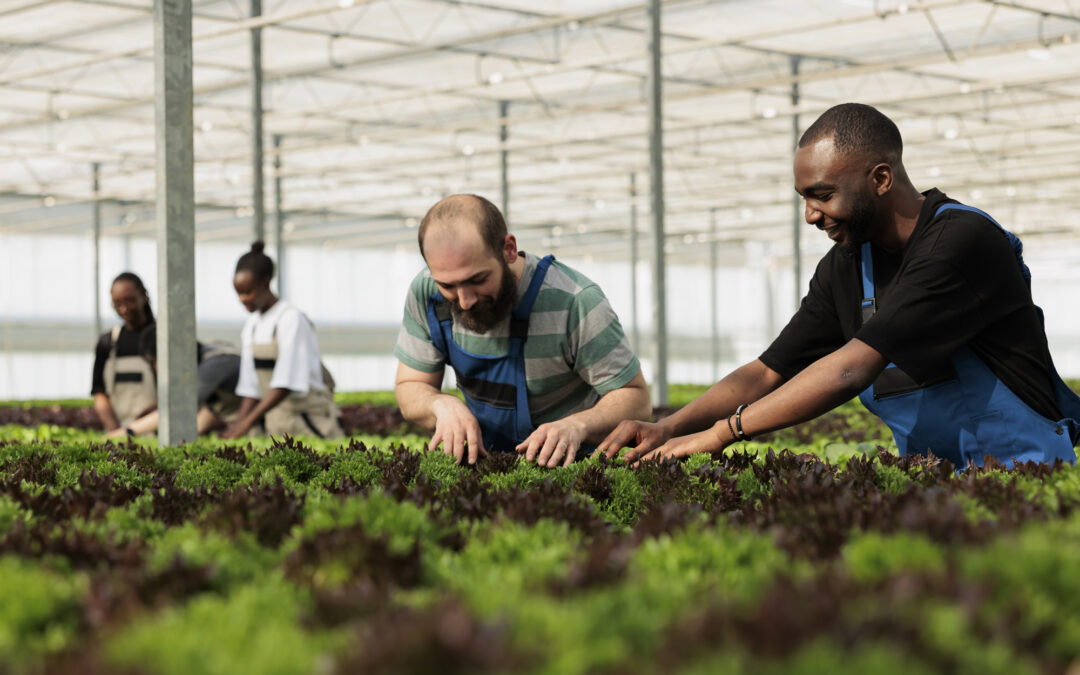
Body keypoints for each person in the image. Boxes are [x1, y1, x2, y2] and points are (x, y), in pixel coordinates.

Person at [600, 102, 1080, 469]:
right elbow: (766, 371)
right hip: (929, 481)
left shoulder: (960, 241)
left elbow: (853, 368)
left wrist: (725, 432)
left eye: (822, 195)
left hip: (1025, 475)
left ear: (881, 178)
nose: (810, 214)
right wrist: (669, 427)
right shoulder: (846, 266)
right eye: (804, 198)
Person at [394, 193, 651, 467]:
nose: (465, 300)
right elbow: (411, 386)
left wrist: (577, 425)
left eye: (478, 279)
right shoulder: (426, 294)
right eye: (448, 285)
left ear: (509, 249)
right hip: (483, 463)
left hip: (572, 466)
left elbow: (637, 399)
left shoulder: (575, 301)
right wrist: (440, 405)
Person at [222, 241, 343, 440]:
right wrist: (236, 427)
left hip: (307, 419)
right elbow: (250, 386)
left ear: (266, 282)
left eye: (247, 292)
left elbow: (285, 382)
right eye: (238, 292)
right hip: (277, 420)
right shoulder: (252, 326)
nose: (242, 299)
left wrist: (246, 422)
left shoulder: (291, 319)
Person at [105, 326, 243, 438]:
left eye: (155, 361)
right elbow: (213, 409)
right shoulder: (207, 351)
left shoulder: (213, 365)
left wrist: (125, 433)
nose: (157, 368)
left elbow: (176, 409)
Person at [91, 272, 157, 433]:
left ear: (144, 296)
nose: (124, 308)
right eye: (117, 303)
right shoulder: (108, 342)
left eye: (129, 300)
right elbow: (99, 394)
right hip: (117, 433)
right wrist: (116, 432)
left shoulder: (161, 338)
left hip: (155, 432)